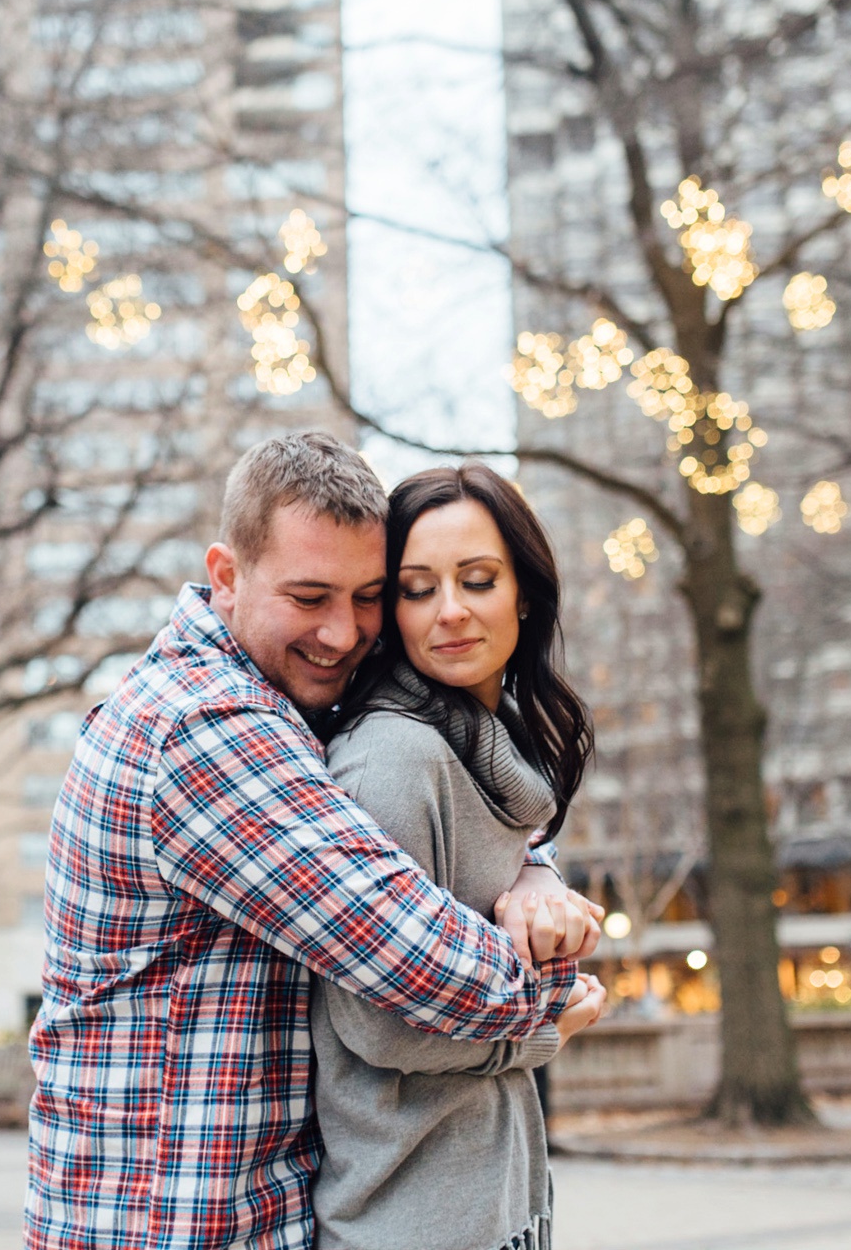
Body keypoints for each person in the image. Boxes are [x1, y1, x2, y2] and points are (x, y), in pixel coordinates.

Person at [25, 432, 604, 1250]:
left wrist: (534, 873)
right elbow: (418, 957)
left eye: (367, 595)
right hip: (163, 1229)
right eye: (309, 596)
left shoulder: (285, 704)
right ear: (226, 575)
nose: (343, 633)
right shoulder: (205, 730)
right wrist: (560, 989)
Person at [311, 462, 600, 1250]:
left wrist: (537, 874)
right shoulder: (396, 761)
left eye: (477, 580)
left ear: (525, 595)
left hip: (492, 1207)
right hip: (405, 1221)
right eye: (416, 587)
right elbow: (378, 1024)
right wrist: (548, 1023)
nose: (451, 612)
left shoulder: (484, 749)